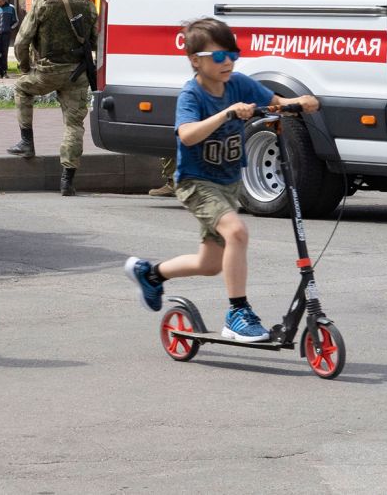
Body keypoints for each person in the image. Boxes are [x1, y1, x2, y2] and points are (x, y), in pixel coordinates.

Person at [124, 17, 320, 341]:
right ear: (195, 61)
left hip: (228, 184)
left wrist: (298, 103)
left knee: (210, 263)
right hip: (196, 183)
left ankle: (151, 274)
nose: (227, 61)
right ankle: (237, 313)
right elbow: (187, 135)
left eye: (232, 54)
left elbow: (274, 102)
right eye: (218, 56)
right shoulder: (192, 95)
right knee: (237, 233)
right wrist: (226, 114)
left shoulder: (239, 84)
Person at [6, 0, 96, 197]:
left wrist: (25, 67)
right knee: (74, 125)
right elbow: (97, 41)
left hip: (47, 71)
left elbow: (21, 42)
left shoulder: (43, 2)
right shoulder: (87, 4)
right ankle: (67, 180)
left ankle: (27, 143)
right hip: (78, 73)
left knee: (21, 88)